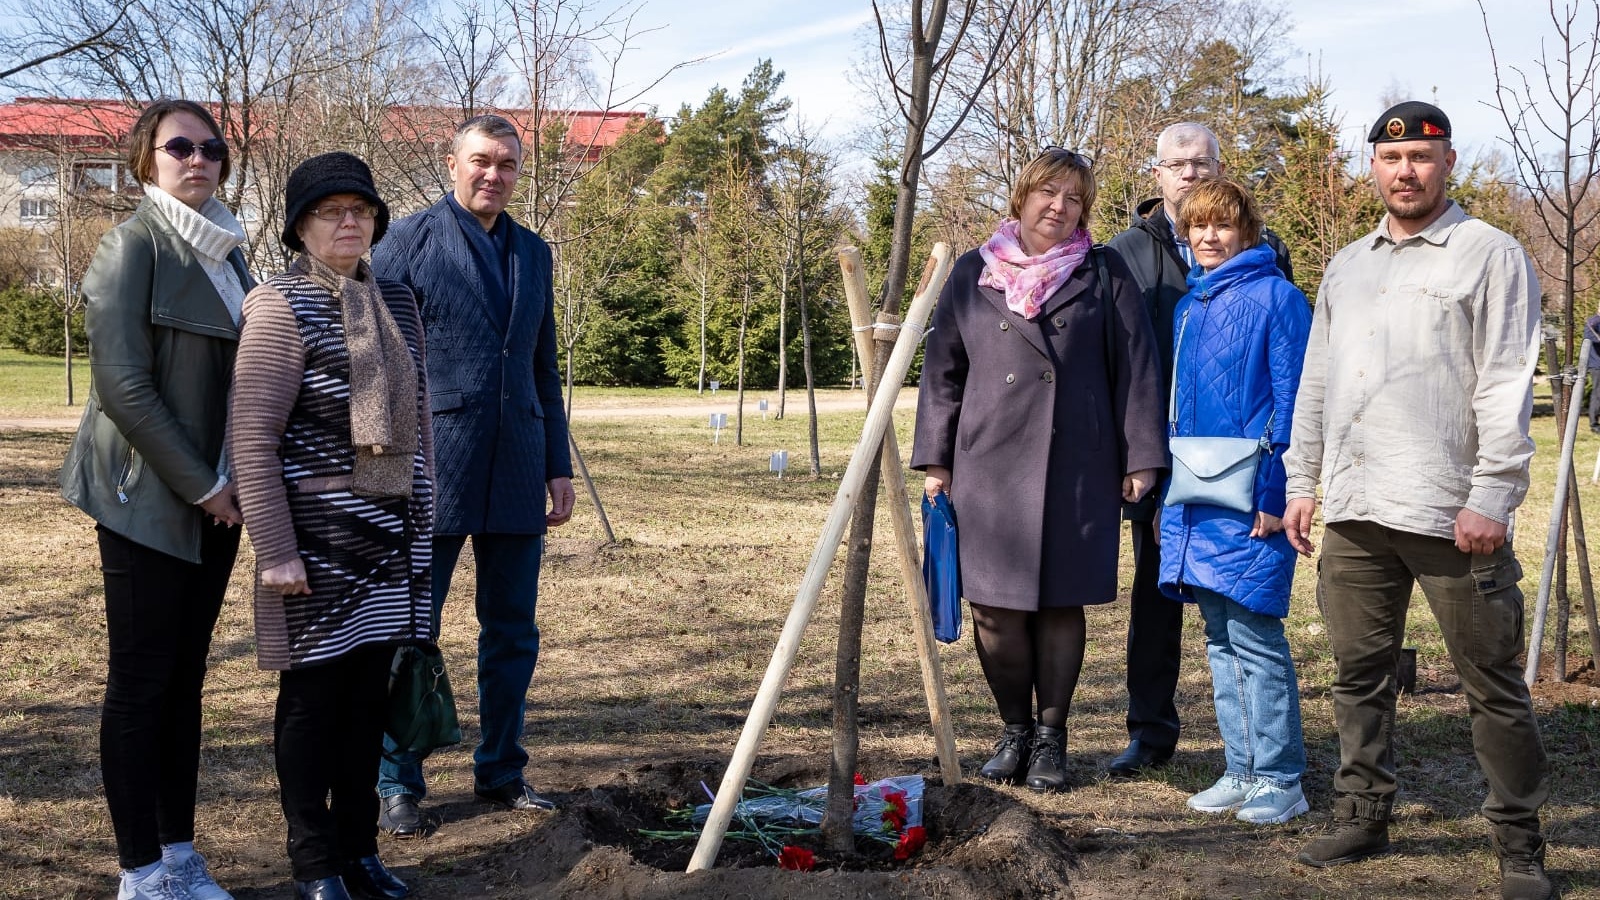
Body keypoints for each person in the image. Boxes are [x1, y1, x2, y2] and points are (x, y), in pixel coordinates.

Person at [1285, 102, 1553, 900]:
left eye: (1422, 157)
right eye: (1392, 158)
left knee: (1491, 684)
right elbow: (1317, 382)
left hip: (1450, 511)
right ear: (1373, 166)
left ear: (1448, 163)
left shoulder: (1490, 254)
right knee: (1358, 674)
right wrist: (1302, 481)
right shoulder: (1347, 266)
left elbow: (1506, 381)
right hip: (1357, 506)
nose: (1406, 171)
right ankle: (1363, 814)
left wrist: (1492, 495)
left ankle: (1519, 845)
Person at [911, 147, 1165, 792]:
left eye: (1074, 198)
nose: (1059, 206)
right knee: (994, 610)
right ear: (1021, 198)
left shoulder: (1103, 271)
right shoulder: (972, 271)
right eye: (1048, 193)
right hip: (987, 463)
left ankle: (1052, 738)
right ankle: (1014, 730)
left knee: (1058, 603)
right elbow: (942, 372)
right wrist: (937, 461)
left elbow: (1137, 366)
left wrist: (1141, 456)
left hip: (1077, 461)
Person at [59, 99, 250, 900]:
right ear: (147, 159)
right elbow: (125, 388)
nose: (198, 159)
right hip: (148, 498)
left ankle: (179, 855)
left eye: (211, 147)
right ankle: (140, 873)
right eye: (179, 147)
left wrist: (236, 486)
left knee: (184, 681)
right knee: (141, 684)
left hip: (223, 502)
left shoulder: (230, 253)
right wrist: (205, 486)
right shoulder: (131, 245)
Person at [229, 152, 428, 900]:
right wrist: (276, 551)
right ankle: (315, 865)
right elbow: (252, 438)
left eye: (362, 209)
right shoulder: (278, 305)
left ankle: (359, 851)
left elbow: (420, 426)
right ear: (299, 227)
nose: (350, 221)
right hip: (313, 545)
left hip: (386, 539)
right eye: (330, 210)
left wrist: (422, 523)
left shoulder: (397, 301)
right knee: (312, 708)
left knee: (367, 705)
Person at [372, 114, 575, 835]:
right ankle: (397, 780)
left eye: (508, 164)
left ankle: (502, 770)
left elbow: (543, 366)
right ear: (452, 162)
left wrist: (557, 465)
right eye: (482, 160)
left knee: (513, 631)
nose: (494, 174)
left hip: (518, 463)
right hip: (432, 466)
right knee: (411, 627)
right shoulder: (405, 242)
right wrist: (386, 466)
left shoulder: (535, 252)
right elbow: (379, 364)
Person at [1104, 122, 1294, 778]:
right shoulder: (1125, 252)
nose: (1189, 173)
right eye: (1177, 163)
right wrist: (1135, 455)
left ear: (1219, 170)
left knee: (1238, 607)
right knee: (1156, 597)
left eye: (1202, 163)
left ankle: (1255, 755)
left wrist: (1276, 476)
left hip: (1240, 462)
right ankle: (1150, 731)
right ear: (1156, 173)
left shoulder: (1265, 252)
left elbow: (1282, 368)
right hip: (1159, 454)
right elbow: (1116, 360)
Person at [1158, 179, 1311, 825]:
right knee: (1219, 637)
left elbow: (1294, 399)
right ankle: (1242, 768)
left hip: (1252, 497)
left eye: (1221, 225)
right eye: (1197, 226)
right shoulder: (1188, 307)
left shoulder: (1279, 298)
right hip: (1196, 495)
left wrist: (1277, 492)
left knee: (1255, 636)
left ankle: (1280, 777)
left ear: (1246, 230)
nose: (1209, 237)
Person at [1585, 311, 1600, 433]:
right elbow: (1590, 337)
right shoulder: (1594, 321)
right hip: (1597, 365)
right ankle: (1594, 424)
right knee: (1598, 394)